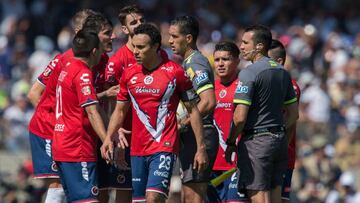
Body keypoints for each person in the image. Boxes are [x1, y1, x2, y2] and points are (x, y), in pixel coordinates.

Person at [101, 23, 208, 203]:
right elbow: (119, 111)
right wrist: (108, 138)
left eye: (141, 47)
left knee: (154, 198)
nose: (135, 51)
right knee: (140, 201)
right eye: (134, 46)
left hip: (164, 147)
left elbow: (193, 111)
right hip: (137, 149)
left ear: (156, 47)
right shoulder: (129, 75)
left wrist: (201, 148)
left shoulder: (175, 72)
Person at [28, 11, 117, 203]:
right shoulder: (67, 60)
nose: (114, 36)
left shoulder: (102, 61)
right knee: (58, 187)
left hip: (72, 132)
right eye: (107, 32)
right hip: (51, 129)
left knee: (74, 191)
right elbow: (34, 93)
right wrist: (62, 123)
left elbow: (88, 101)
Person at [225, 25, 299, 203]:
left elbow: (240, 117)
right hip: (279, 141)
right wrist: (278, 134)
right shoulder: (283, 72)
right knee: (274, 196)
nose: (241, 46)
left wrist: (230, 142)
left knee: (259, 196)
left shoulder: (249, 72)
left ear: (259, 46)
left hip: (257, 143)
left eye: (245, 42)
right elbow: (293, 114)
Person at [52, 30, 107, 203]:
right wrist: (106, 140)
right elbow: (91, 111)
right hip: (77, 147)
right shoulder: (83, 73)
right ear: (94, 51)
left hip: (61, 144)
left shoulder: (67, 68)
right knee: (87, 200)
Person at [168, 15, 218, 203]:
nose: (170, 41)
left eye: (174, 36)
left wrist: (183, 123)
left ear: (188, 38)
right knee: (186, 196)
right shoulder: (188, 62)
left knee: (193, 197)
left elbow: (208, 101)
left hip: (200, 134)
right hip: (192, 137)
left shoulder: (195, 63)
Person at [207, 41, 249, 203]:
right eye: (217, 60)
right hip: (210, 164)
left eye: (226, 59)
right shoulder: (207, 90)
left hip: (236, 164)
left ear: (237, 61)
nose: (220, 64)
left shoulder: (245, 87)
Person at [268, 39, 301, 203]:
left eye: (266, 60)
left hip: (282, 157)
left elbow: (291, 118)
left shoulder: (291, 86)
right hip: (262, 155)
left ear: (279, 61)